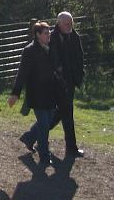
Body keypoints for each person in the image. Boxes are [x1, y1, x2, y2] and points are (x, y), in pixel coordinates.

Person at [9, 21, 64, 168]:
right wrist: (15, 93)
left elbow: (57, 66)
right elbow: (22, 73)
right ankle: (44, 156)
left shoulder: (51, 48)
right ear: (38, 35)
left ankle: (29, 137)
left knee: (46, 121)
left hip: (51, 93)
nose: (49, 35)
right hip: (37, 93)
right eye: (46, 33)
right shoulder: (30, 51)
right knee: (45, 125)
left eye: (49, 33)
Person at [46, 11, 85, 157]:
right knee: (65, 112)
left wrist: (80, 75)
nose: (69, 26)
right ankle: (71, 148)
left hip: (70, 81)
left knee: (63, 112)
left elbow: (80, 56)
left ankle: (34, 135)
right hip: (57, 81)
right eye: (67, 24)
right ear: (59, 23)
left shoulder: (74, 36)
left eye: (71, 24)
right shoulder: (51, 37)